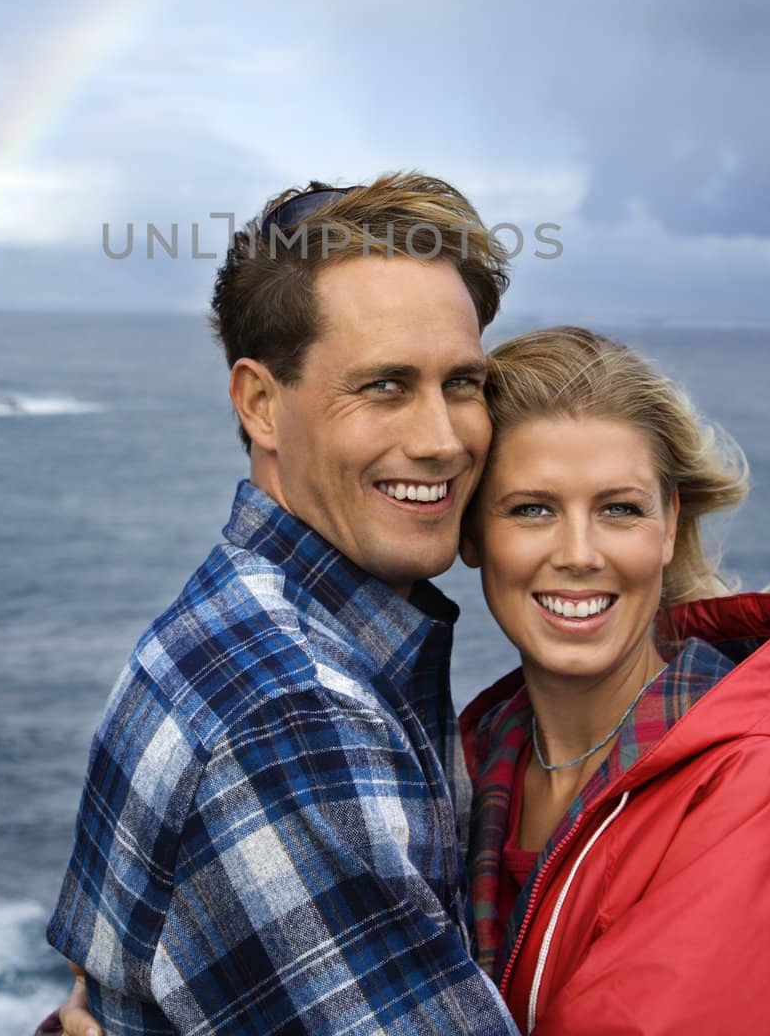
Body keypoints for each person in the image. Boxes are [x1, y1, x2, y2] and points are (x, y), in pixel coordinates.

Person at [44, 174, 523, 1034]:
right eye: (383, 386)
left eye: (461, 383)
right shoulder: (296, 715)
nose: (443, 439)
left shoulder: (235, 619)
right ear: (260, 404)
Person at [459, 326, 770, 1035]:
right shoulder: (463, 763)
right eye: (532, 509)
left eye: (619, 509)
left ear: (669, 525)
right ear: (471, 534)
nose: (579, 554)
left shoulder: (756, 792)